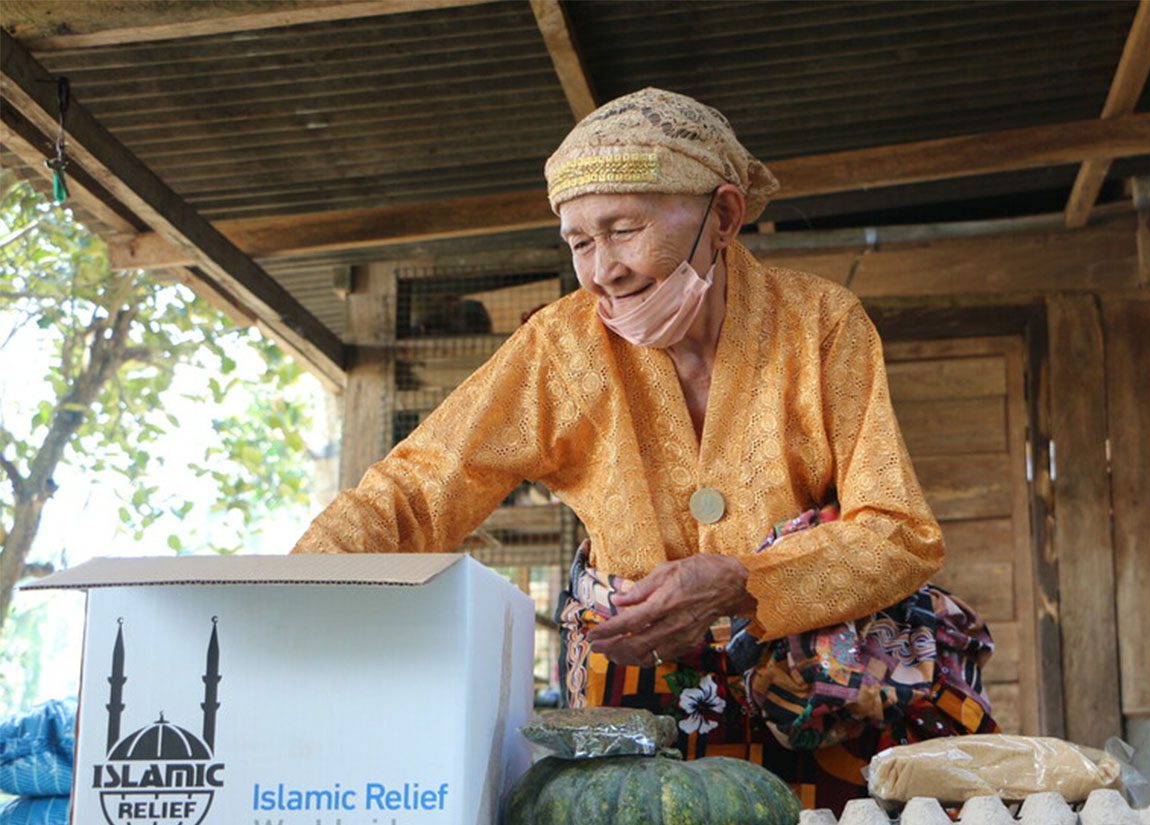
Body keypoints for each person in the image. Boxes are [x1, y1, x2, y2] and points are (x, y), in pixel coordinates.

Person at [292, 87, 998, 813]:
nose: (604, 270)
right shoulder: (559, 346)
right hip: (635, 679)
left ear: (723, 215)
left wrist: (742, 578)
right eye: (578, 243)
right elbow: (418, 489)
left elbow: (900, 534)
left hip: (814, 680)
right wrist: (288, 592)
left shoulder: (821, 322)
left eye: (624, 229)